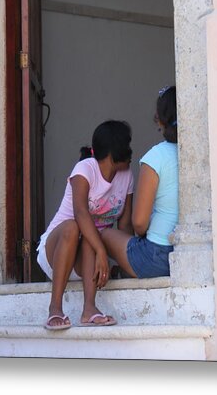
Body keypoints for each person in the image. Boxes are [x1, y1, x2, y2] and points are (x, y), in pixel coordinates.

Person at [36, 120, 134, 330]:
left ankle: (89, 309)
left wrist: (125, 261)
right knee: (75, 227)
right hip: (57, 251)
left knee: (92, 235)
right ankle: (55, 309)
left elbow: (125, 226)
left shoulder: (127, 176)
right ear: (113, 151)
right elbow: (81, 213)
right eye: (127, 145)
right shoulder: (85, 169)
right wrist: (101, 251)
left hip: (87, 257)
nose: (131, 151)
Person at [101, 86, 178, 279]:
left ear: (159, 120)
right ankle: (124, 271)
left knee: (104, 235)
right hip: (184, 253)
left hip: (156, 257)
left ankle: (124, 271)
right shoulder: (197, 154)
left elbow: (139, 223)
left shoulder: (155, 158)